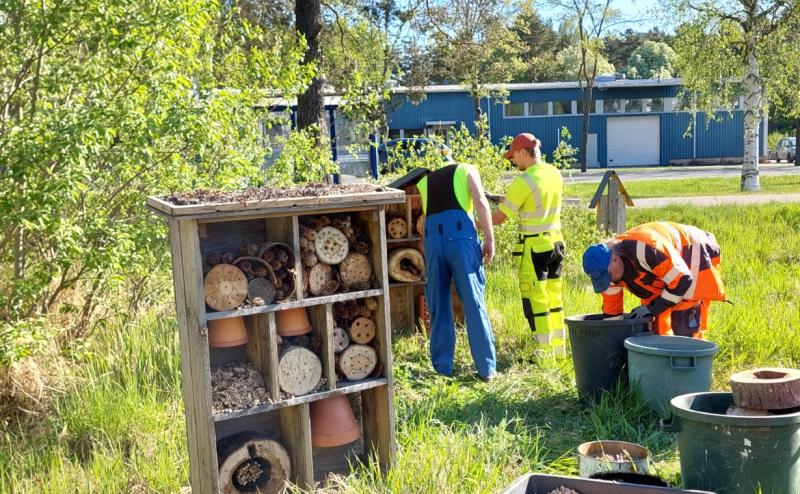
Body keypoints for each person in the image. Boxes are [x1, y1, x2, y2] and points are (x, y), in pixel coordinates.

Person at [417, 162, 497, 381]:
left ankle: (442, 368)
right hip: (460, 240)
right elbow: (480, 201)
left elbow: (427, 221)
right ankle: (486, 369)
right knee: (473, 302)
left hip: (433, 242)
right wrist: (490, 237)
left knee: (438, 306)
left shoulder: (425, 182)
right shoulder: (467, 169)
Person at [489, 133, 566, 354]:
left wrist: (471, 223)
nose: (513, 162)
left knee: (536, 301)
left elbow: (499, 219)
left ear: (523, 152)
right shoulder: (553, 174)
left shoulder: (524, 180)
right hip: (556, 243)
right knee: (554, 299)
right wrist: (498, 197)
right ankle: (558, 352)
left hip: (534, 248)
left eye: (514, 156)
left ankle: (542, 355)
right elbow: (534, 201)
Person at [582, 221, 726, 339]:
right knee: (654, 329)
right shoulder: (606, 274)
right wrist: (611, 342)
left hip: (693, 252)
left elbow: (683, 279)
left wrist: (651, 308)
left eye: (609, 276)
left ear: (614, 259)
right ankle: (663, 365)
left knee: (684, 326)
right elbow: (612, 313)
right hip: (665, 271)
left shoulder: (646, 250)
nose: (610, 282)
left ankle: (693, 366)